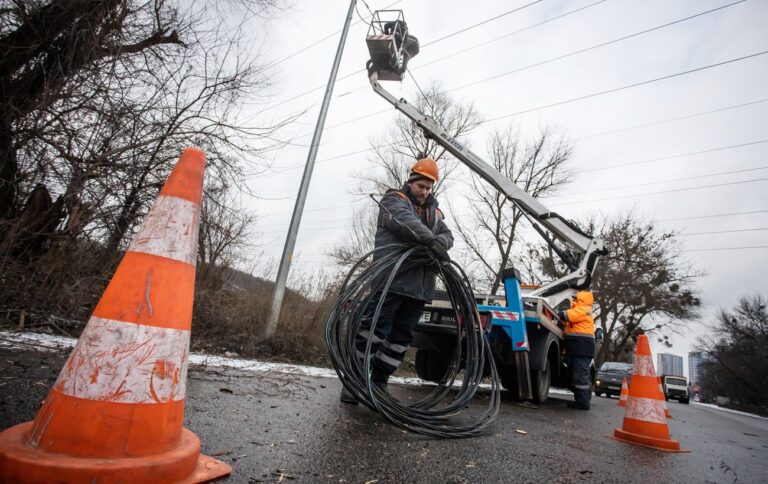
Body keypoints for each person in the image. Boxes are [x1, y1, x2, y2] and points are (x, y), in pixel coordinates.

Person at [341, 158, 453, 404]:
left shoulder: (434, 214)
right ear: (411, 181)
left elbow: (447, 235)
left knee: (400, 339)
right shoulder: (394, 200)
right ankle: (354, 382)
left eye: (428, 187)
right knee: (374, 332)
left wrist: (440, 242)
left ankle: (379, 383)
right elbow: (406, 223)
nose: (424, 191)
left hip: (419, 288)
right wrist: (431, 242)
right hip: (391, 281)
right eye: (420, 185)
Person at [559, 291, 596, 410]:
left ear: (581, 300)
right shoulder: (582, 310)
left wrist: (556, 313)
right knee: (576, 374)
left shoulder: (583, 309)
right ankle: (580, 400)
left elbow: (566, 316)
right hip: (579, 347)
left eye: (576, 300)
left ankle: (583, 403)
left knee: (580, 376)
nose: (573, 301)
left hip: (582, 348)